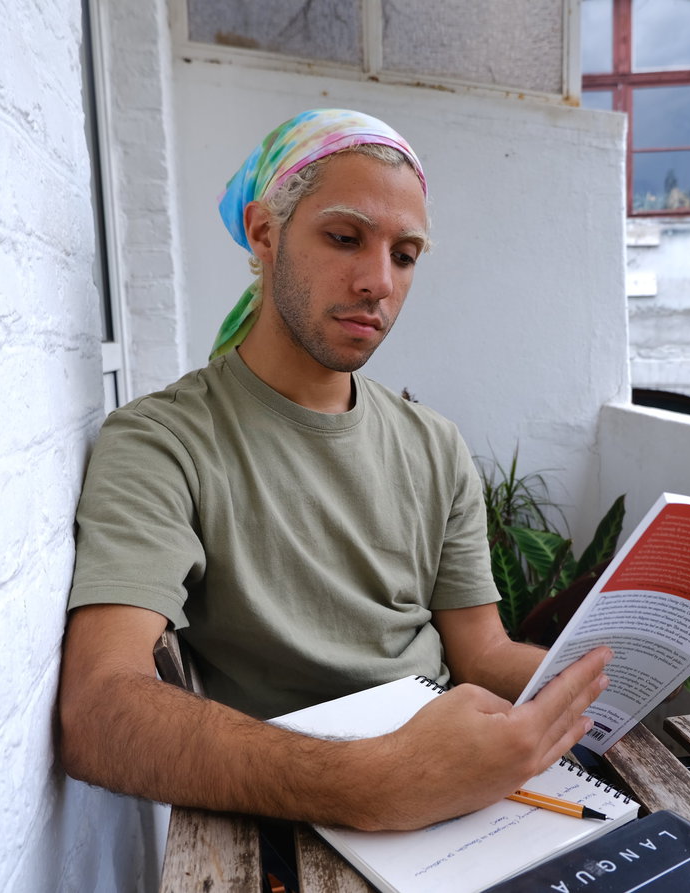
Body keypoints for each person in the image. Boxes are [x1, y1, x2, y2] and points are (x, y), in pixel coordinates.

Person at [57, 109, 611, 835]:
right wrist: (373, 782)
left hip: (466, 790)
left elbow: (483, 651)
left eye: (405, 254)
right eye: (346, 238)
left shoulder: (435, 445)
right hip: (295, 814)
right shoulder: (164, 441)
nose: (378, 281)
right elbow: (98, 710)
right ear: (264, 234)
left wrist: (595, 684)